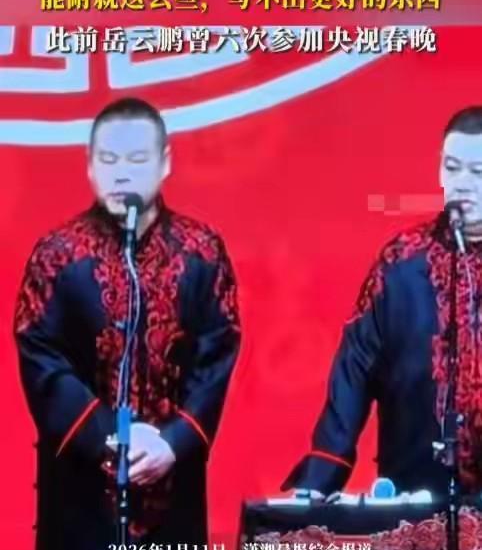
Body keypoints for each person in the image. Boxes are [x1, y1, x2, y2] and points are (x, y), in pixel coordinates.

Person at [14, 97, 240, 549]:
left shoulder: (201, 251)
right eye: (108, 160)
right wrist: (107, 435)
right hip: (80, 488)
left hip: (172, 483)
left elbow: (215, 355)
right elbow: (41, 357)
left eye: (136, 160)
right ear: (89, 166)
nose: (121, 174)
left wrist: (173, 441)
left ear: (164, 162)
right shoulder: (58, 255)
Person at [283, 106, 482, 500]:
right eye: (452, 168)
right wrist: (320, 479)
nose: (461, 184)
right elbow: (354, 373)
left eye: (477, 172)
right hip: (416, 494)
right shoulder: (402, 262)